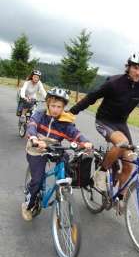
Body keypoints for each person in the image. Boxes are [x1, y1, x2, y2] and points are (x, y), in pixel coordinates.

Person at [69, 52, 139, 206]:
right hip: (104, 121)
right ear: (129, 67)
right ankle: (101, 173)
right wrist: (72, 113)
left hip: (121, 124)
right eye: (135, 67)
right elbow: (92, 97)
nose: (138, 72)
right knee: (122, 143)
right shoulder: (114, 83)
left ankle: (119, 198)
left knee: (129, 165)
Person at [21, 87, 92, 221]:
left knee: (67, 163)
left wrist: (85, 142)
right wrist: (34, 138)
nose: (55, 109)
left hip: (54, 148)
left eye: (59, 106)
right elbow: (32, 125)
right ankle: (27, 205)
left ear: (64, 107)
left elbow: (75, 133)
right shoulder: (40, 114)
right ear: (48, 104)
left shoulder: (65, 122)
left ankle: (63, 188)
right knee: (37, 179)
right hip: (37, 149)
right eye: (53, 105)